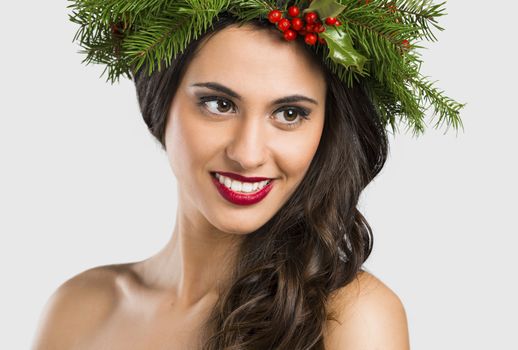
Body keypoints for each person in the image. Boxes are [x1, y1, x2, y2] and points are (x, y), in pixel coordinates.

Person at [30, 3, 447, 348]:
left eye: (289, 114)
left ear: (325, 129)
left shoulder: (353, 319)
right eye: (218, 104)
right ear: (160, 106)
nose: (247, 155)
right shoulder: (78, 309)